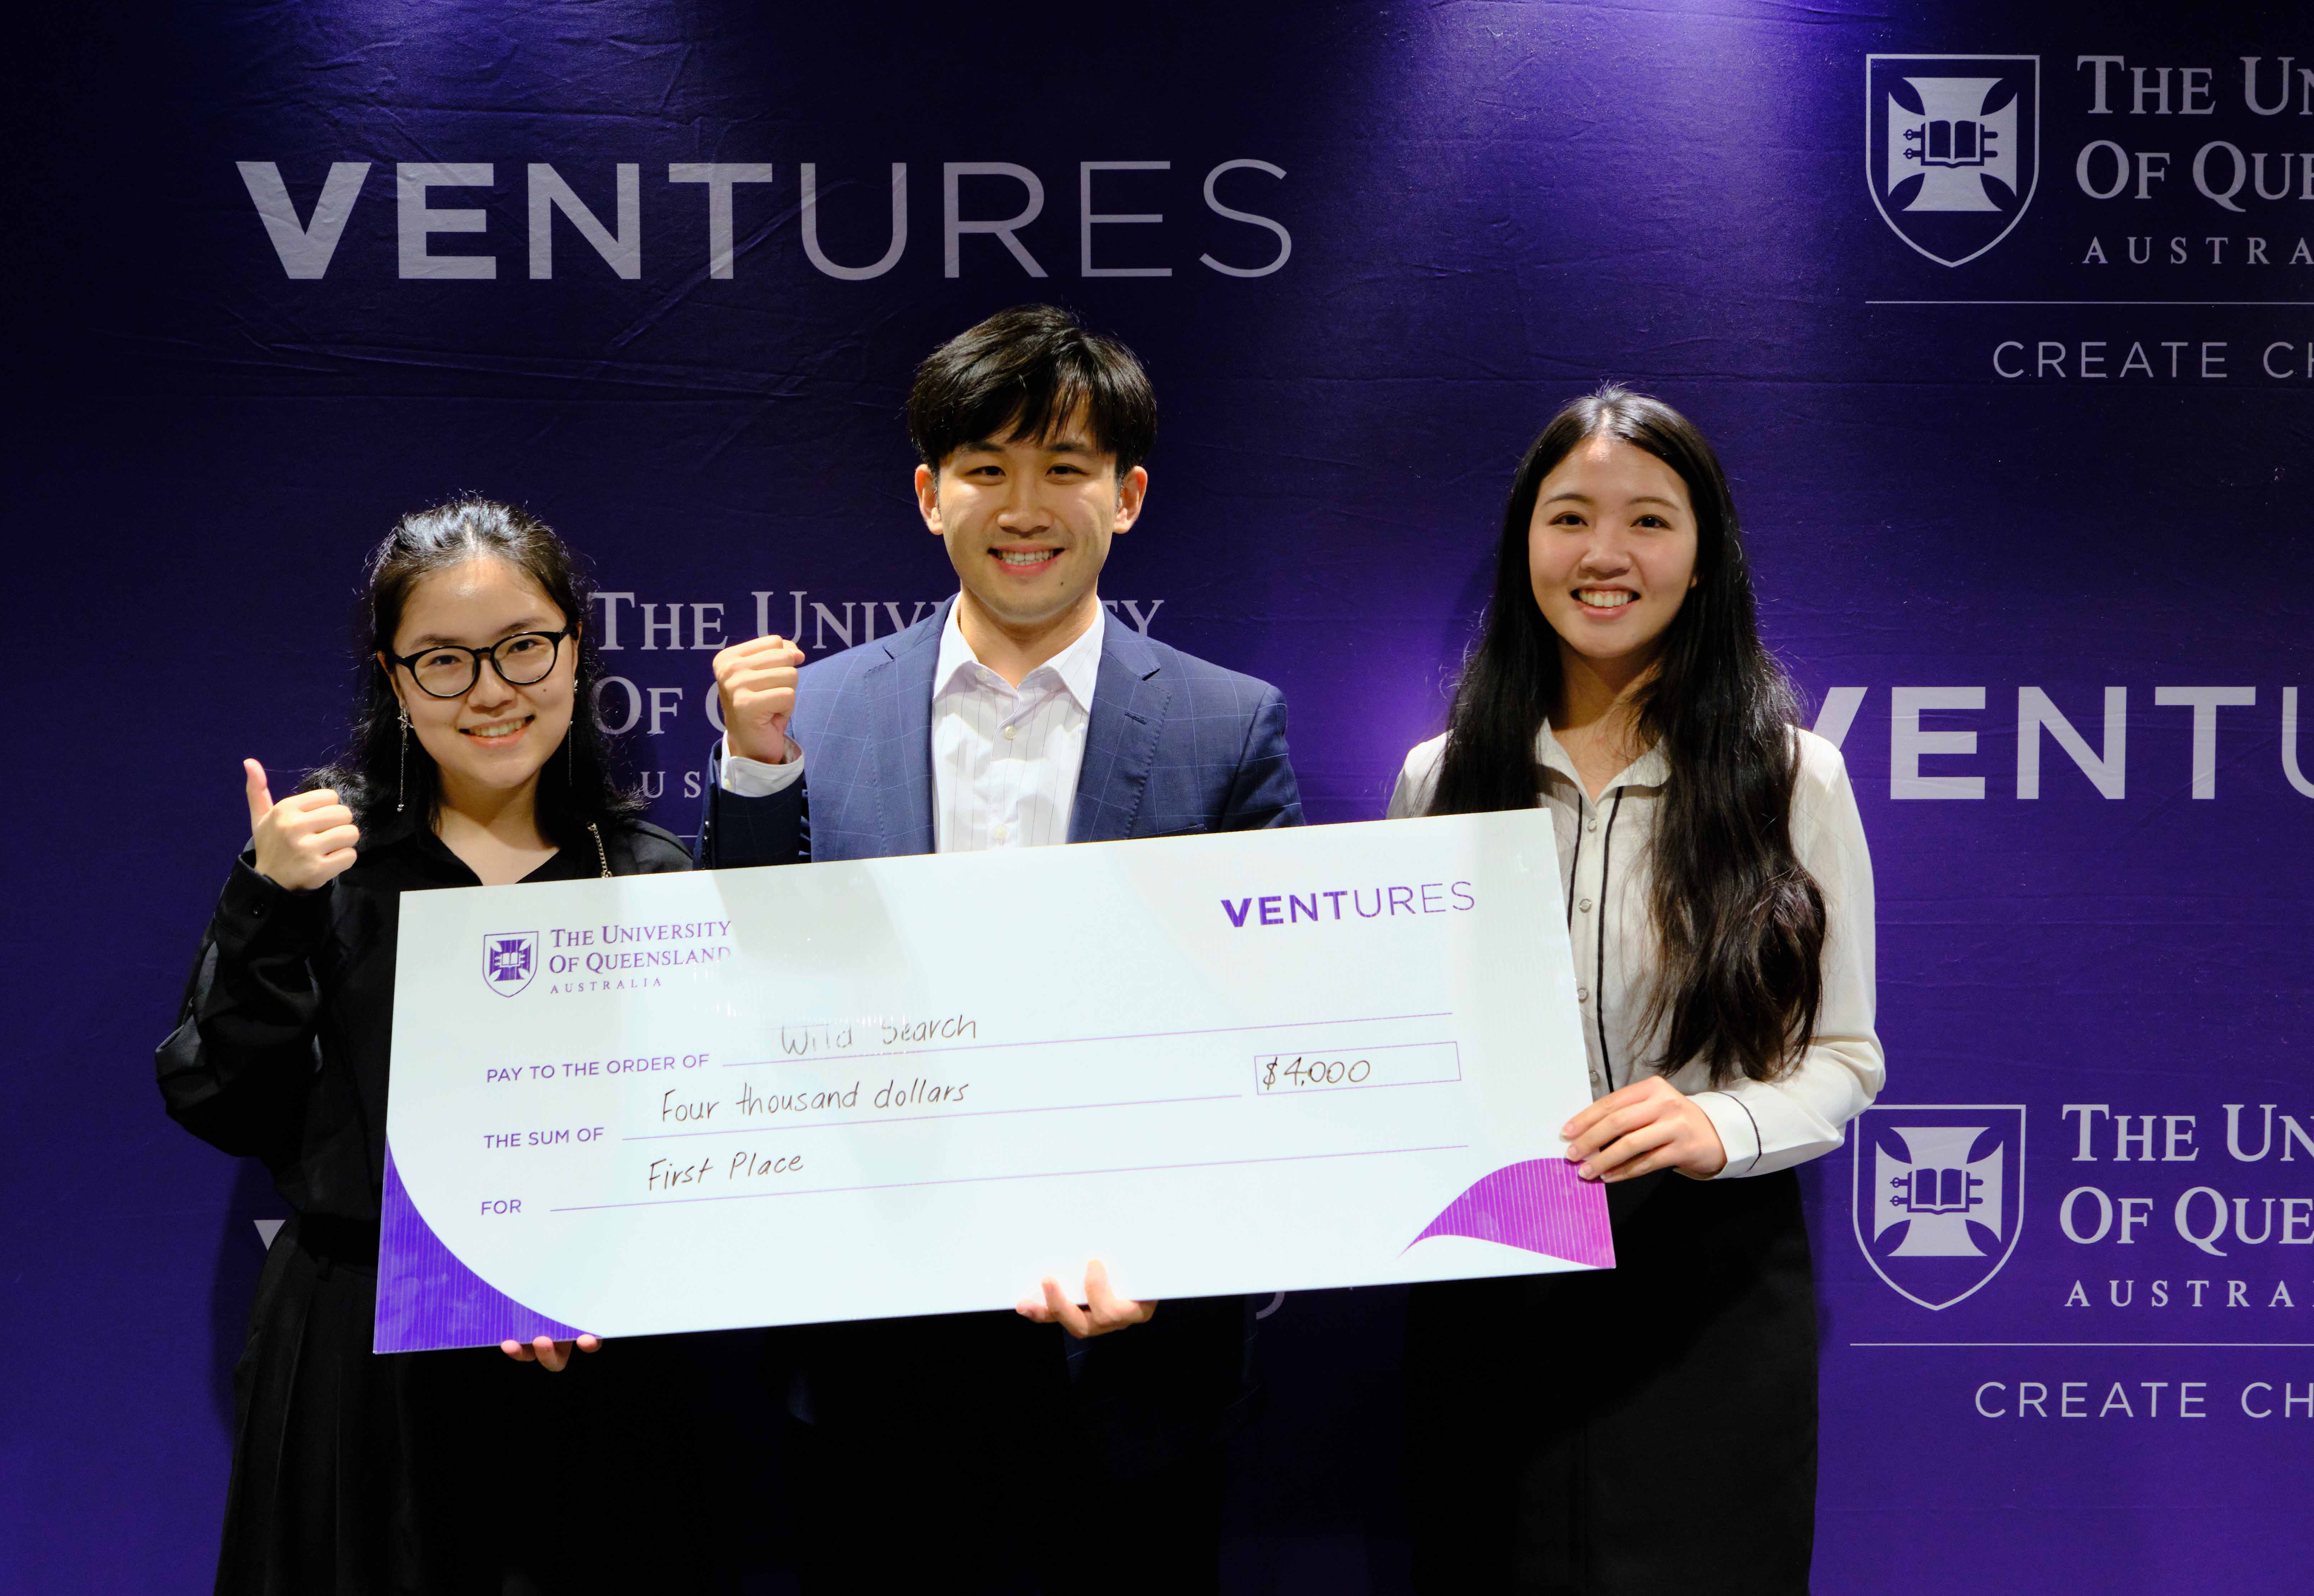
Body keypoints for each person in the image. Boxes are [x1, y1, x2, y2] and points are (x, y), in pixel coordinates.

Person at [697, 304, 1302, 1593]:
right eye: (986, 468)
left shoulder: (1225, 724)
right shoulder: (818, 712)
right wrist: (753, 780)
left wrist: (1182, 1265)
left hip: (1129, 1360)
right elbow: (743, 991)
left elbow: (1272, 1040)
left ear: (1126, 496)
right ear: (930, 495)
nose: (1024, 506)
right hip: (874, 1358)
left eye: (1065, 469)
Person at [156, 498, 717, 1596]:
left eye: (521, 647)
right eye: (443, 663)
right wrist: (265, 902)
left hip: (593, 1359)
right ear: (394, 678)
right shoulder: (322, 861)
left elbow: (693, 1149)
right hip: (359, 1362)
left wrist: (595, 1277)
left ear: (573, 648)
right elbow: (222, 1099)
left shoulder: (649, 874)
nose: (492, 691)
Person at [1388, 389, 1881, 1594]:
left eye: (1649, 522)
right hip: (1494, 1280)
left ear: (1703, 557)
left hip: (1708, 1297)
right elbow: (1401, 1045)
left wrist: (1717, 1123)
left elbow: (1844, 1056)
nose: (1605, 556)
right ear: (1525, 548)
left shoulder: (1788, 779)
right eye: (1570, 518)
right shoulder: (1439, 781)